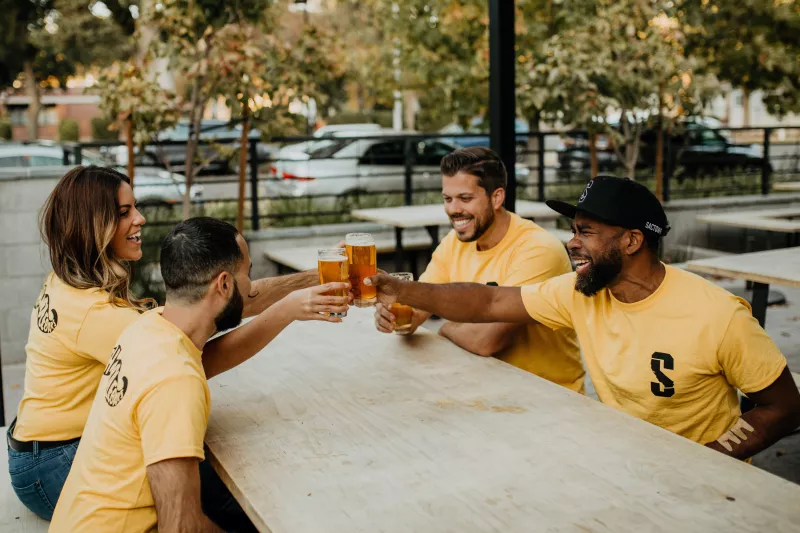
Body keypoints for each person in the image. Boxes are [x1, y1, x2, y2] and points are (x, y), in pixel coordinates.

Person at [366, 176, 800, 459]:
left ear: (632, 241)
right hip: (616, 457)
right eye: (573, 230)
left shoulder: (717, 315)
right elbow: (488, 303)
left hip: (700, 484)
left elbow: (784, 407)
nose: (571, 243)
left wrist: (715, 458)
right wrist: (399, 289)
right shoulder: (579, 292)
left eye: (586, 231)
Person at [7, 165, 322, 520]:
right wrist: (288, 309)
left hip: (38, 447)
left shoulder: (72, 280)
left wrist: (312, 280)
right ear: (92, 226)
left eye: (134, 206)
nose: (140, 219)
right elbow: (196, 351)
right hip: (51, 463)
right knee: (217, 481)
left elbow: (226, 297)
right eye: (124, 212)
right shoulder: (95, 313)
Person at [49, 217, 350, 532]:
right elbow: (181, 528)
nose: (251, 287)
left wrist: (288, 308)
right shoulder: (176, 382)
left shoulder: (147, 328)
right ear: (223, 284)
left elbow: (206, 359)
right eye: (248, 275)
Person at [374, 147, 584, 392]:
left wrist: (446, 328)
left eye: (465, 198)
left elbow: (487, 340)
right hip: (485, 386)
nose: (453, 209)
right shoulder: (454, 242)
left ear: (496, 198)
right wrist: (396, 317)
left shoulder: (538, 249)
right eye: (447, 198)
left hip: (550, 396)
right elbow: (418, 308)